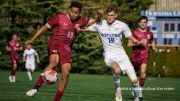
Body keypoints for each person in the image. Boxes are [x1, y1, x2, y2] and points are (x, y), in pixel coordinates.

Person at [25, 1, 103, 101]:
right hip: (55, 43)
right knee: (54, 62)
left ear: (79, 13)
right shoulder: (59, 17)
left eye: (76, 12)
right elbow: (44, 28)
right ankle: (35, 88)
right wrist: (33, 39)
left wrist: (98, 15)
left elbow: (94, 21)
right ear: (69, 10)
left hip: (66, 48)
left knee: (66, 73)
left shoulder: (81, 20)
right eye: (72, 11)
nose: (74, 14)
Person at [78, 6, 142, 101]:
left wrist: (137, 41)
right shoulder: (100, 24)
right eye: (108, 15)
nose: (109, 17)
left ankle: (137, 98)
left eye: (112, 15)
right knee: (117, 70)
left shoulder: (122, 25)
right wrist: (78, 28)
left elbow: (131, 38)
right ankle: (118, 89)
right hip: (109, 55)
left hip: (122, 55)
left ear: (116, 15)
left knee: (135, 81)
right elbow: (85, 29)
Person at [128, 16, 157, 98]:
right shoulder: (134, 32)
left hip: (145, 55)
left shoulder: (150, 33)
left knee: (143, 74)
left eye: (144, 22)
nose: (143, 24)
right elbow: (129, 44)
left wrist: (154, 47)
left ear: (146, 23)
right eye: (141, 22)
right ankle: (134, 88)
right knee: (133, 76)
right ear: (138, 23)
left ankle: (140, 90)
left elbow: (152, 40)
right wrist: (139, 43)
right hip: (135, 56)